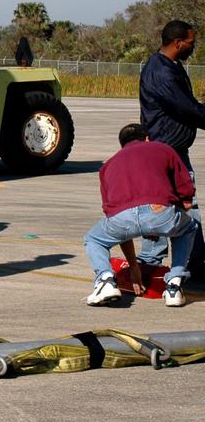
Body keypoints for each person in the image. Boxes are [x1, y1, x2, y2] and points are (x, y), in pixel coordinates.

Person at [83, 123, 197, 308]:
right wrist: (161, 223)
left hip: (121, 218)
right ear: (146, 138)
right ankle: (174, 285)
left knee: (94, 239)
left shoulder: (108, 165)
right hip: (159, 211)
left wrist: (133, 267)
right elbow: (187, 197)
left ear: (122, 145)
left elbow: (114, 217)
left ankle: (105, 280)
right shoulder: (163, 149)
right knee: (188, 228)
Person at [137, 20, 205, 274]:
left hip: (175, 150)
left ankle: (195, 260)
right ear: (178, 43)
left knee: (186, 206)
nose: (193, 46)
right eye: (191, 43)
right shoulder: (162, 72)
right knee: (163, 205)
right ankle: (151, 262)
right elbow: (187, 108)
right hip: (165, 151)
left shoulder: (171, 66)